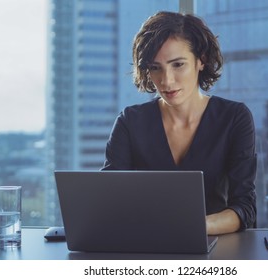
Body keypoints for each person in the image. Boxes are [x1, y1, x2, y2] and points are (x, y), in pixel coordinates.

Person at [102, 11, 256, 235]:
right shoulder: (130, 122)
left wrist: (194, 226)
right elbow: (107, 200)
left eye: (178, 64)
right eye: (155, 68)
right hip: (145, 245)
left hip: (214, 248)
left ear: (201, 60)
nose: (166, 81)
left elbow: (245, 208)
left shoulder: (234, 118)